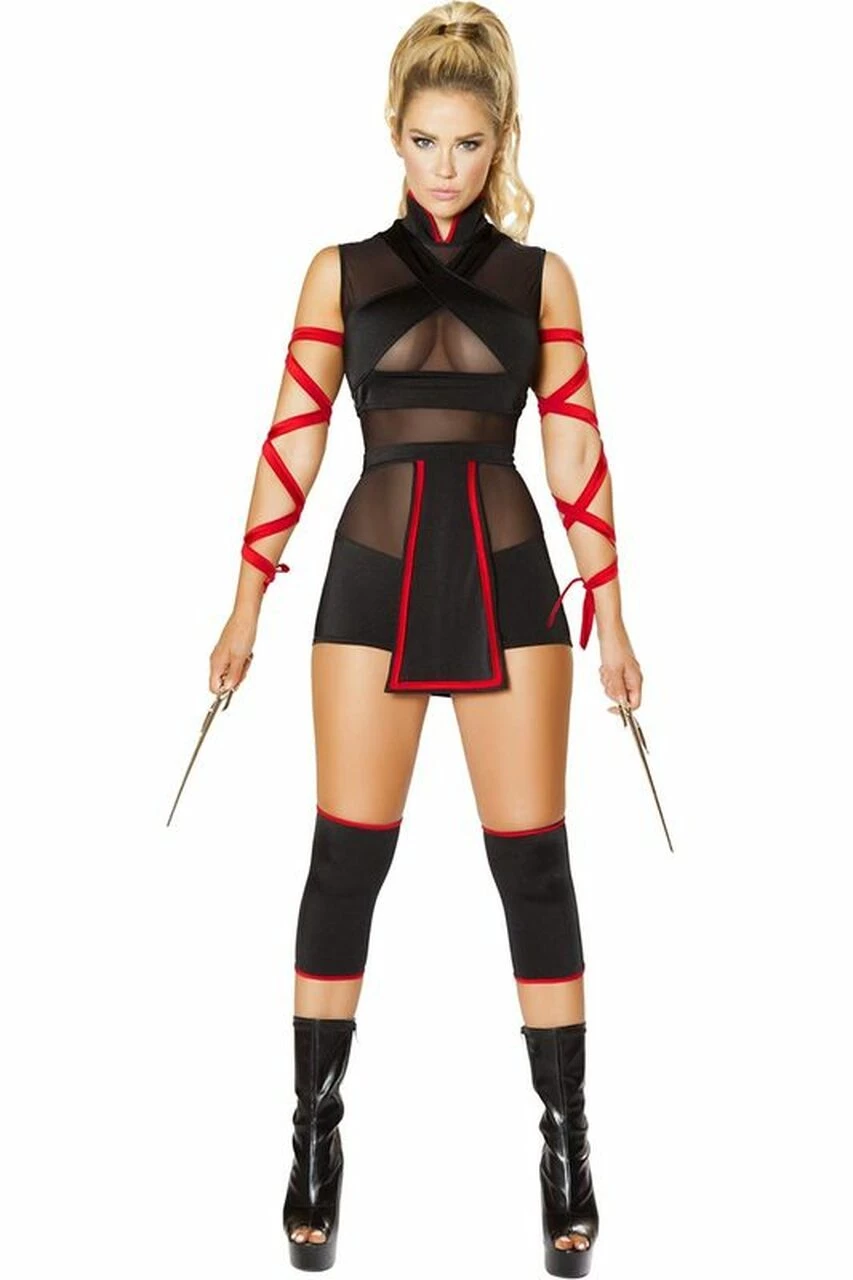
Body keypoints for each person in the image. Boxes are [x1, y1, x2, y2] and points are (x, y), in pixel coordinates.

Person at [209, 4, 641, 1275]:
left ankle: (566, 1147)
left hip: (511, 584)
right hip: (370, 577)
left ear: (499, 138)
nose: (444, 166)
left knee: (535, 867)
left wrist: (613, 614)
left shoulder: (542, 277)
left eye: (467, 142)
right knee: (345, 860)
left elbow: (576, 450)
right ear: (392, 136)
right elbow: (292, 436)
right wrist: (244, 601)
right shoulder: (336, 271)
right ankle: (313, 1140)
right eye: (422, 141)